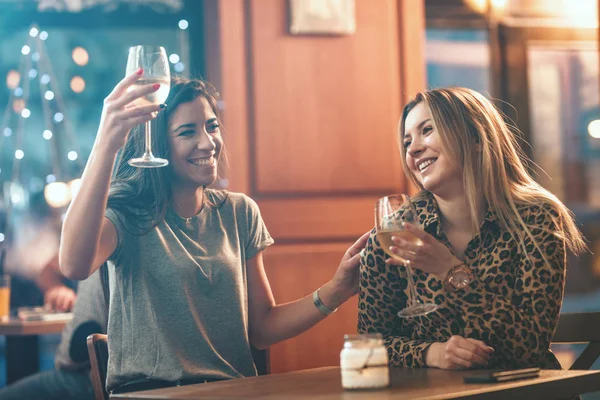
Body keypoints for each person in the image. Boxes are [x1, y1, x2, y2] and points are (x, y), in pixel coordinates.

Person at [59, 71, 369, 394]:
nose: (208, 143)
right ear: (159, 145)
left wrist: (336, 290)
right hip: (153, 393)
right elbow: (73, 266)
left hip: (232, 391)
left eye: (212, 126)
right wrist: (105, 145)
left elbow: (261, 328)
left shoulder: (239, 212)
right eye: (187, 132)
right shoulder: (128, 215)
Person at [357, 87, 586, 371]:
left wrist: (452, 272)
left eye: (427, 130)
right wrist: (432, 354)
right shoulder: (395, 234)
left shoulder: (535, 218)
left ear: (477, 138)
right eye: (406, 142)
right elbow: (369, 347)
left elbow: (529, 347)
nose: (413, 149)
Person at [0, 270, 107, 400]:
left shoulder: (97, 258)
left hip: (99, 383)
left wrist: (61, 361)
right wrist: (57, 288)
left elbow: (72, 356)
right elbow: (48, 270)